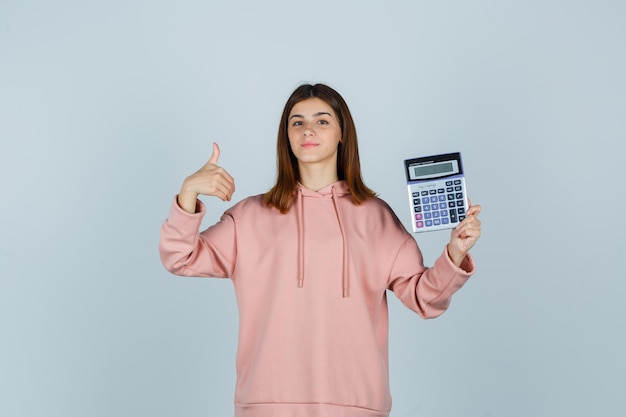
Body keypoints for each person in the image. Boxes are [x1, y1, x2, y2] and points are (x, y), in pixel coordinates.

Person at [159, 83, 482, 417]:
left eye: (322, 120)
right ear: (286, 136)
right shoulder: (249, 216)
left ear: (343, 133)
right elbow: (180, 257)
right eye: (296, 122)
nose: (308, 129)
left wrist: (455, 253)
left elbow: (424, 298)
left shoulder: (376, 217)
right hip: (266, 405)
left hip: (357, 405)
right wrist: (188, 194)